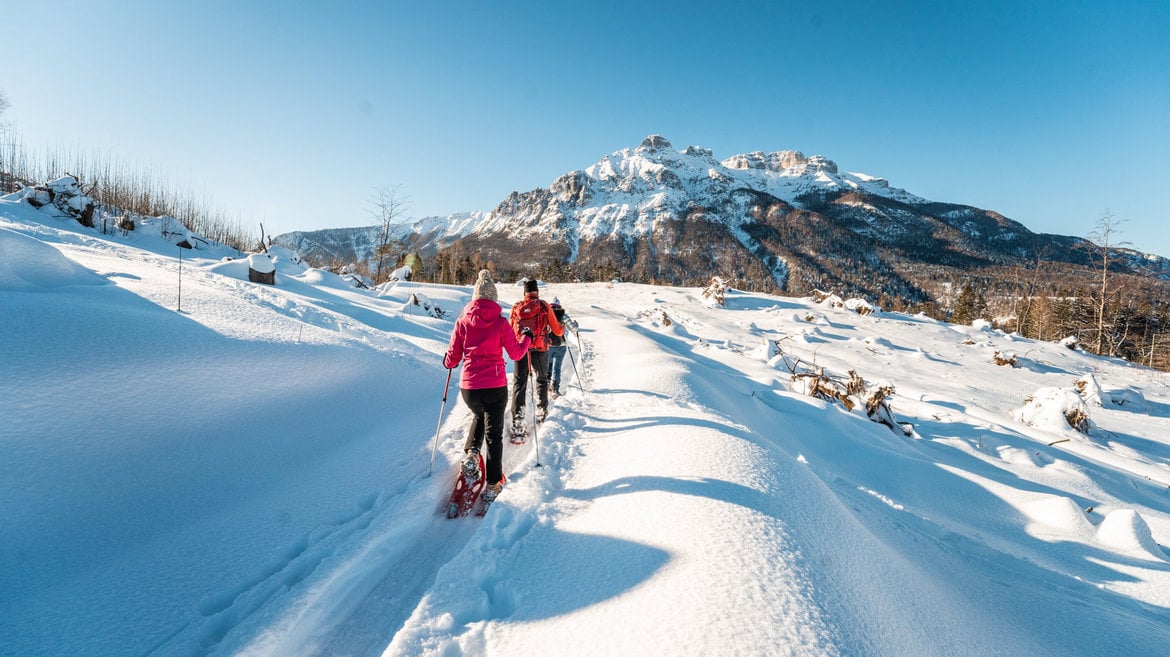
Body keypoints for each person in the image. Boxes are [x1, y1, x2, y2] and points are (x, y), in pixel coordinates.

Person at [444, 269, 532, 504]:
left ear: (474, 298)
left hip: (469, 388)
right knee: (494, 436)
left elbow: (452, 359)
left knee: (479, 416)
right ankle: (493, 484)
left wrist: (447, 359)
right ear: (493, 298)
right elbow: (516, 353)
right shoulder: (501, 323)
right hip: (494, 386)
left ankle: (472, 454)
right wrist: (527, 338)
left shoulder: (462, 321)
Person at [509, 278, 563, 428]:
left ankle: (518, 421)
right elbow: (557, 330)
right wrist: (562, 327)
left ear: (524, 293)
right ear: (537, 292)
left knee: (519, 384)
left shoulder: (516, 307)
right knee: (541, 380)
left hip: (521, 349)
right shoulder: (543, 305)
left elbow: (509, 329)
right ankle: (541, 410)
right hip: (540, 349)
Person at [546, 297, 578, 397]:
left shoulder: (546, 314)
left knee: (548, 366)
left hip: (548, 345)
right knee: (557, 368)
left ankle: (546, 386)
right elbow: (574, 329)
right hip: (561, 345)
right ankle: (555, 389)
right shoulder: (563, 315)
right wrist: (576, 324)